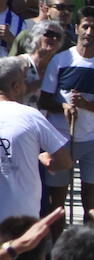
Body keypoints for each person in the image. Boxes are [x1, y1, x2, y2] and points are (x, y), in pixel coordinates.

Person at [39, 8, 94, 214]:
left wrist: (87, 105)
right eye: (85, 26)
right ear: (76, 29)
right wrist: (64, 107)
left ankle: (89, 245)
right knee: (57, 203)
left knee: (92, 203)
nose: (89, 31)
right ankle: (58, 245)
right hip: (61, 136)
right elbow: (44, 100)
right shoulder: (60, 60)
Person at [0, 56, 71, 219]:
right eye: (24, 82)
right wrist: (44, 159)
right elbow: (64, 161)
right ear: (15, 86)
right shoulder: (31, 115)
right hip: (21, 219)